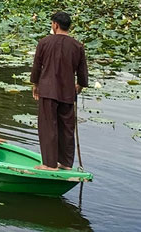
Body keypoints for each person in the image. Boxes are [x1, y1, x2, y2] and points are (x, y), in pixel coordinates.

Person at [30, 11, 88, 171]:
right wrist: (80, 86)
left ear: (55, 25)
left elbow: (36, 67)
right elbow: (82, 72)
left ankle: (49, 164)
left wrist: (35, 84)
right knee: (66, 127)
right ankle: (66, 163)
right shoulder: (77, 46)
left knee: (48, 126)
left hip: (48, 91)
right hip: (68, 92)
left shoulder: (44, 42)